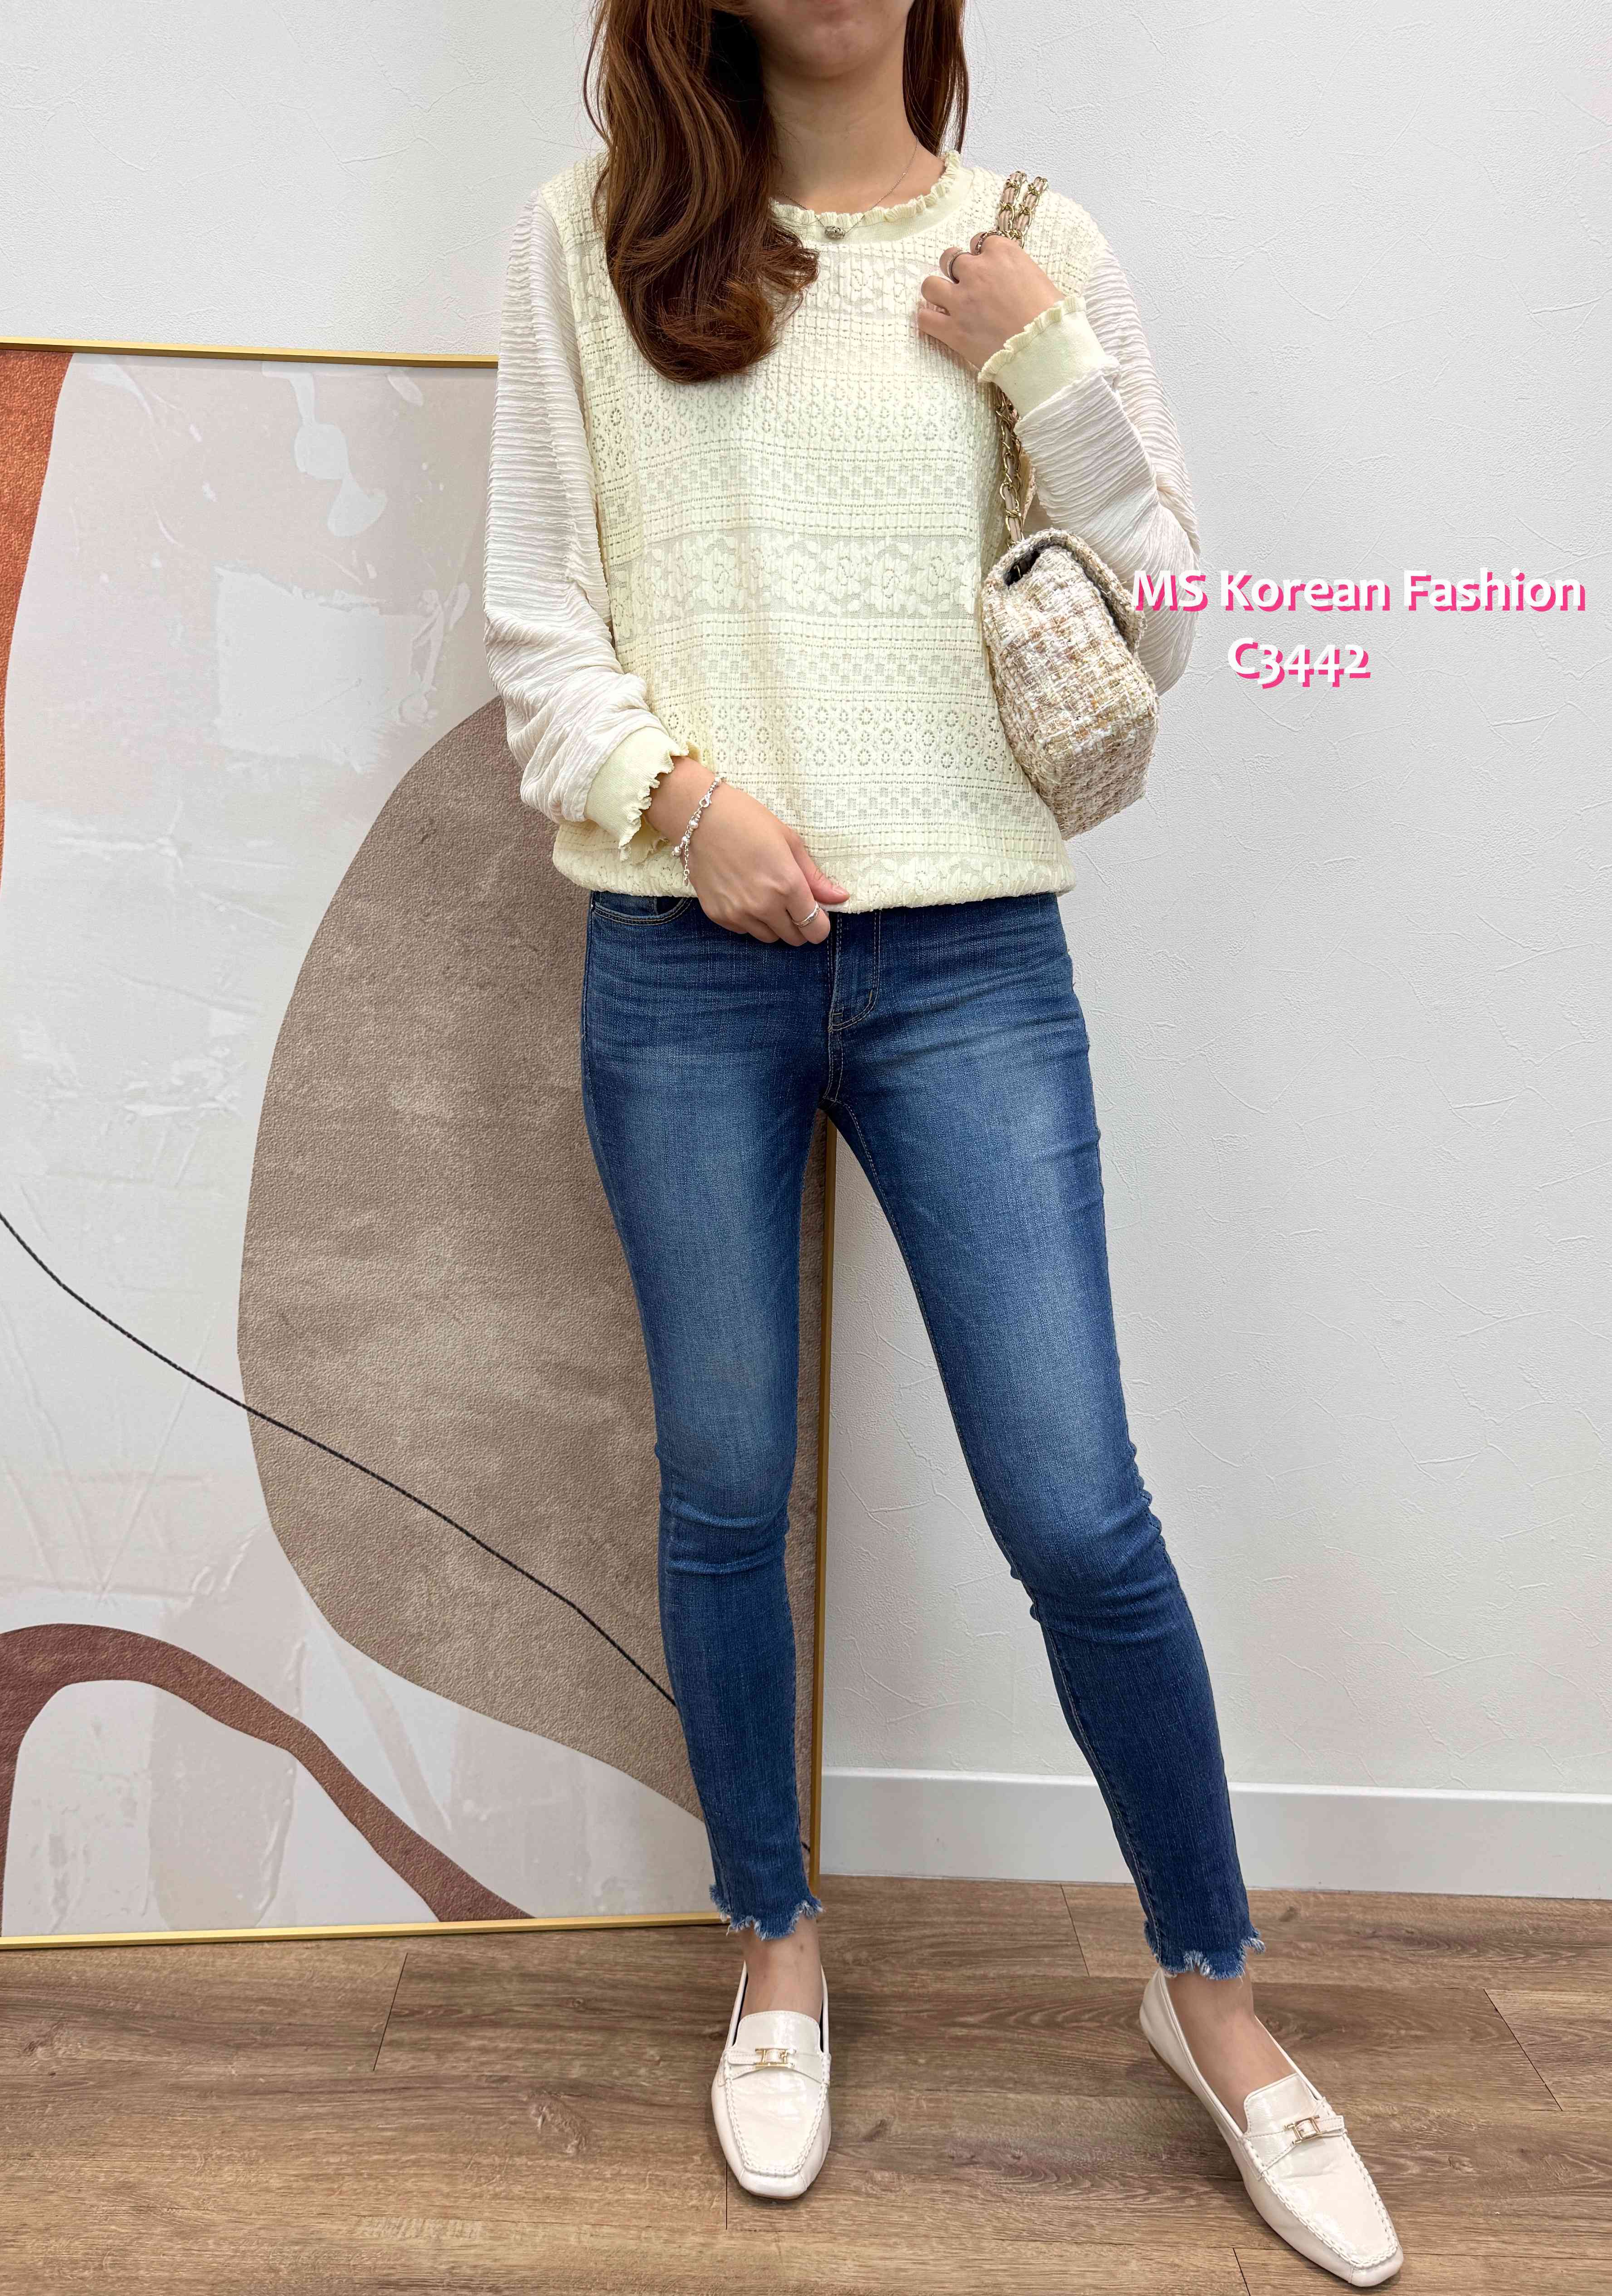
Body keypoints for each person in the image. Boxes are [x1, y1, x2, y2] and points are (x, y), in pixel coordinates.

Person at [483, 1, 1401, 2282]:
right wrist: (683, 805)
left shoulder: (1030, 246)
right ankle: (773, 1948)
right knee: (722, 1488)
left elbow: (1169, 620)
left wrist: (1037, 366)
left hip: (972, 956)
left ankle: (1211, 1998)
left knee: (1076, 1510)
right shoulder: (593, 239)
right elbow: (537, 619)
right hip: (683, 951)